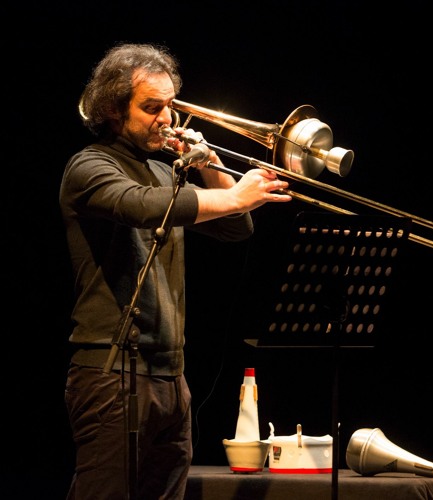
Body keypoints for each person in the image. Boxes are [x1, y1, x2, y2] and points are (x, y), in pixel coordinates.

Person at [59, 42, 292, 500]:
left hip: (170, 377)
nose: (167, 118)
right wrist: (234, 196)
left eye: (170, 105)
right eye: (152, 107)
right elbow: (140, 206)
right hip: (111, 374)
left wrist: (212, 166)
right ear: (113, 109)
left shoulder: (166, 172)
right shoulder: (89, 166)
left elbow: (236, 227)